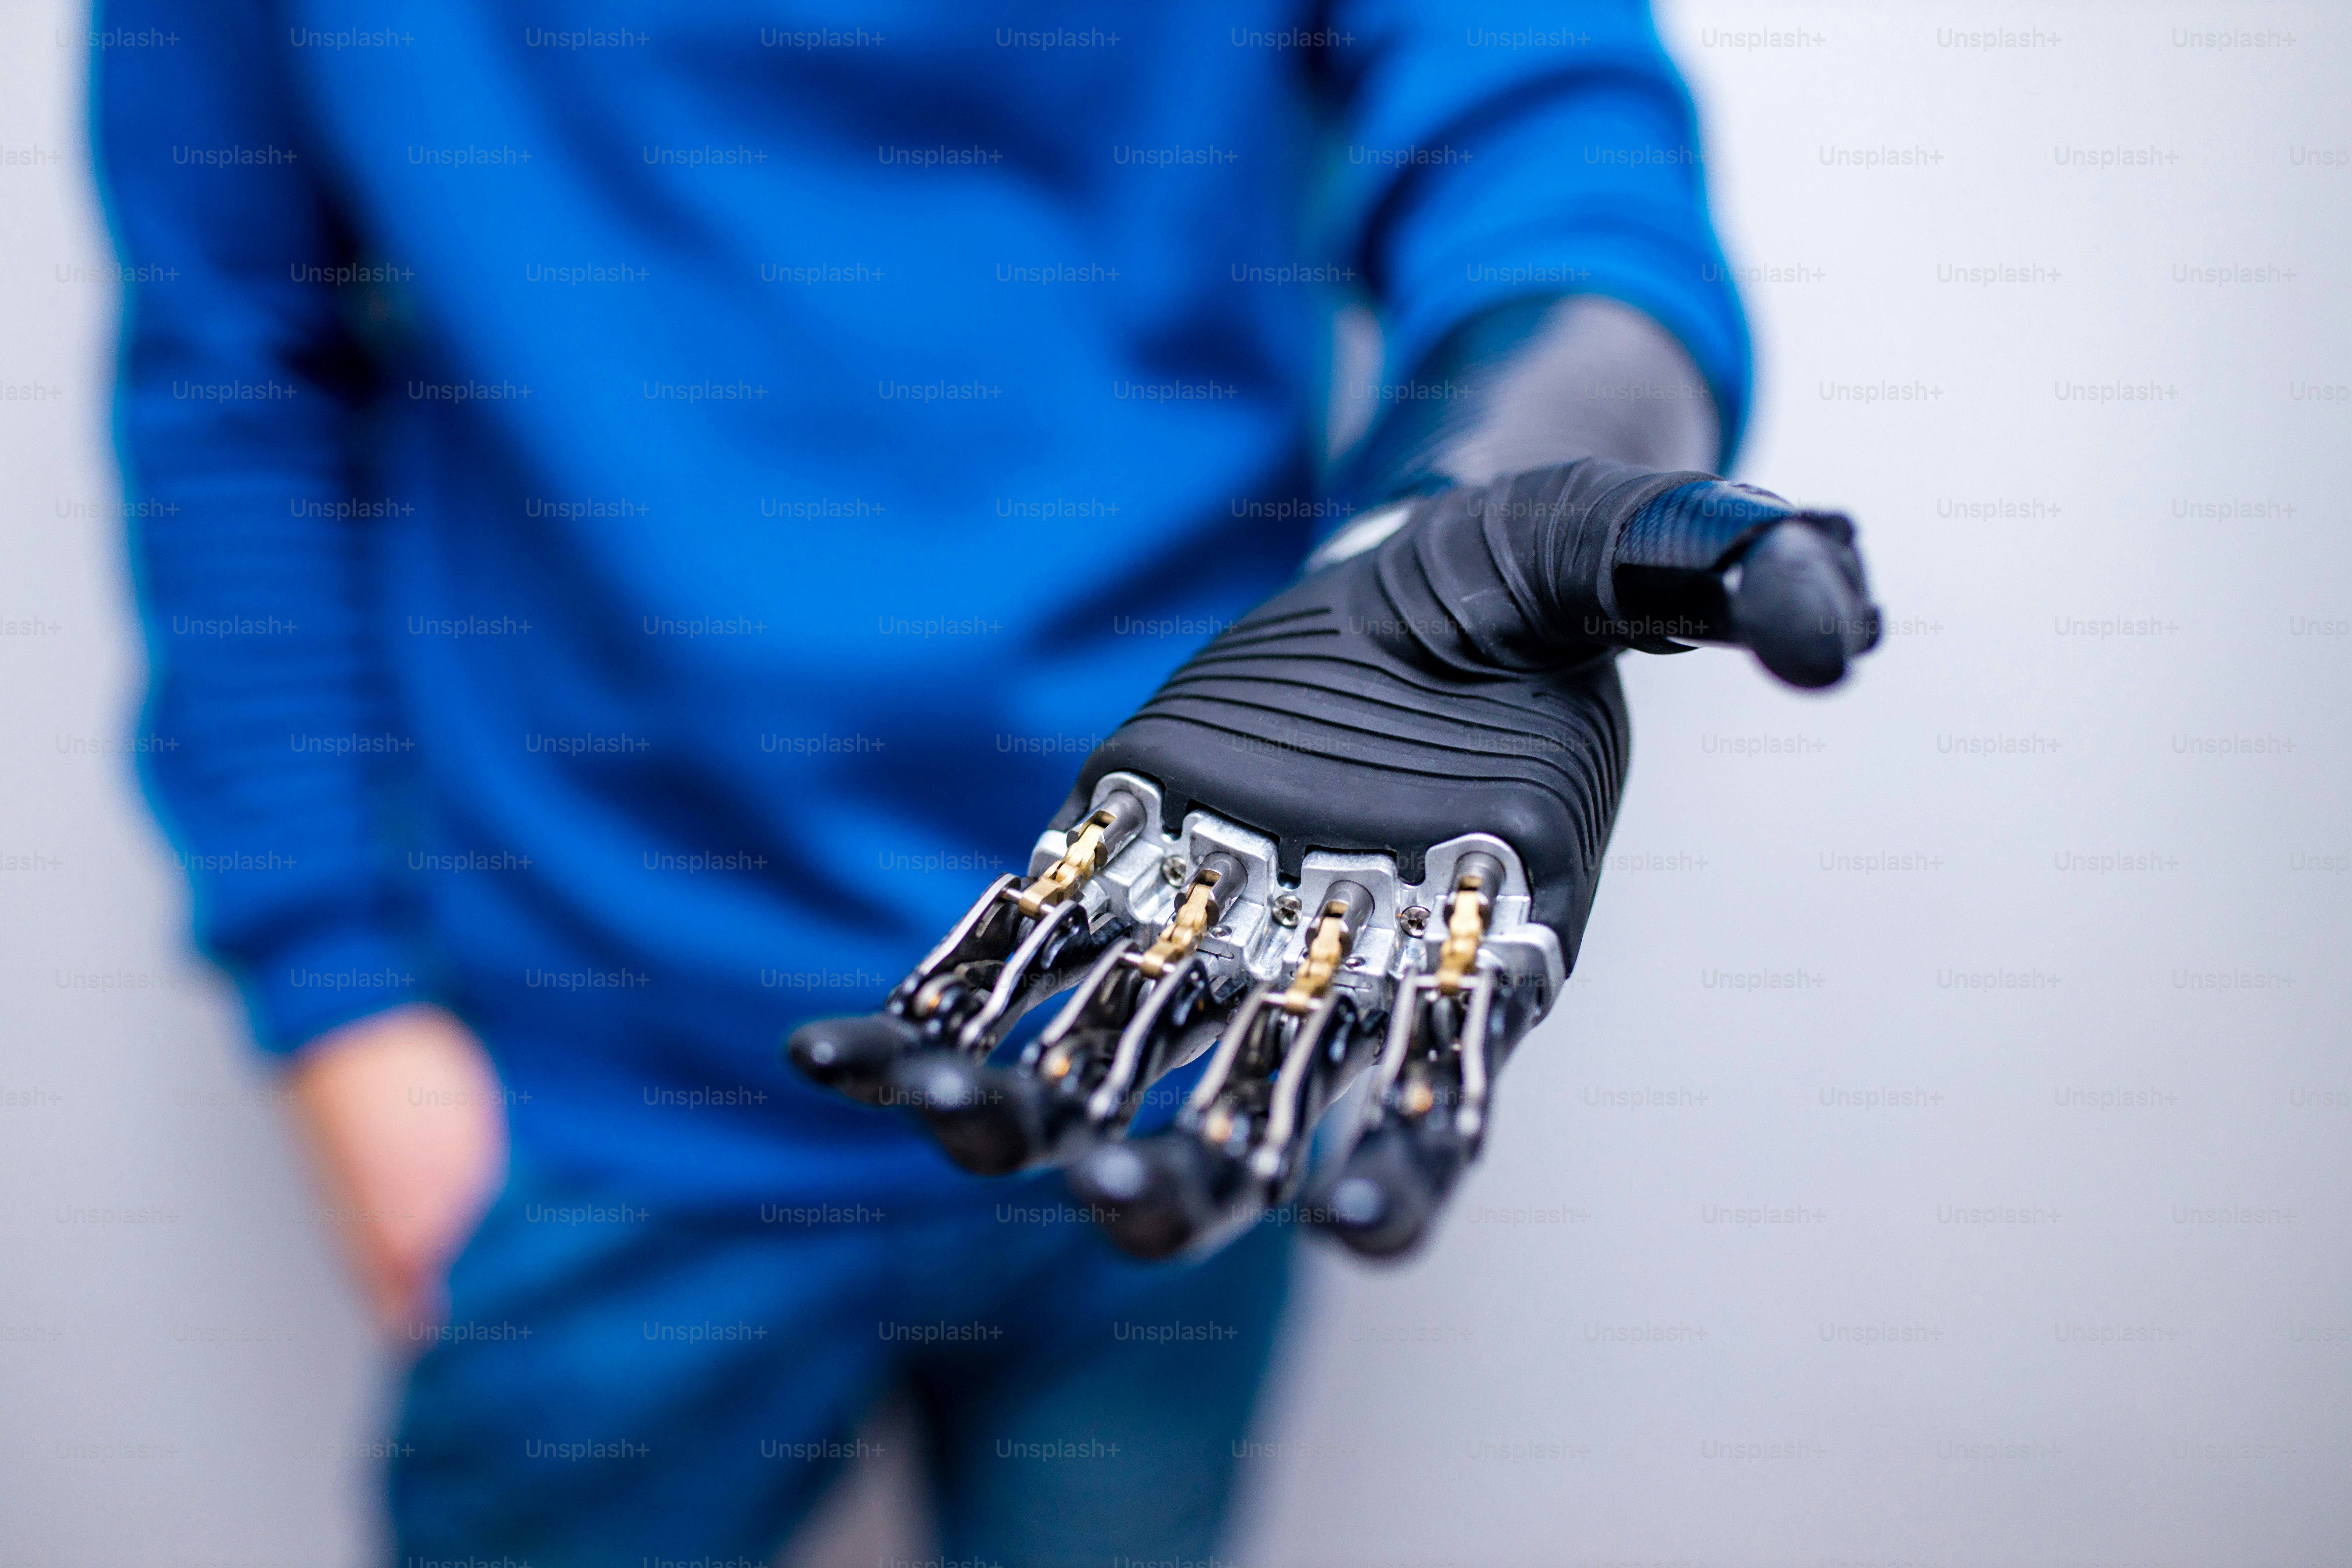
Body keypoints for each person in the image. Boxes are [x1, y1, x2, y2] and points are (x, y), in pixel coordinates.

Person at [97, 4, 1748, 1563]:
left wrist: (1474, 506)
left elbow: (1544, 114)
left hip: (1192, 1009)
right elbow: (233, 364)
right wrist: (337, 1000)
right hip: (597, 1086)